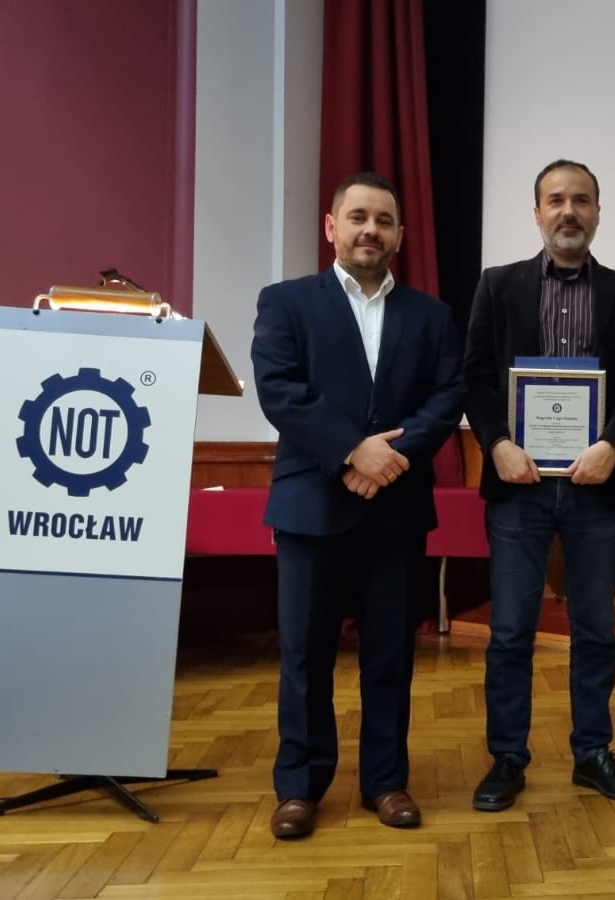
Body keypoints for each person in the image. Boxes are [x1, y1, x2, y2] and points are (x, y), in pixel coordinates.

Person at [251, 171, 464, 837]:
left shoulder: (432, 316)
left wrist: (386, 461)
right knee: (305, 656)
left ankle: (386, 782)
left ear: (400, 235)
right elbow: (279, 389)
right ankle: (299, 787)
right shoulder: (285, 302)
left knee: (391, 655)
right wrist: (351, 452)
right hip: (310, 506)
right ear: (332, 227)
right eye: (359, 217)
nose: (371, 229)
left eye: (384, 220)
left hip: (395, 510)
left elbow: (447, 397)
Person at [462, 159, 615, 811]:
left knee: (596, 627)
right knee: (510, 631)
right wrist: (497, 443)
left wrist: (613, 445)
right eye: (555, 200)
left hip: (597, 485)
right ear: (537, 212)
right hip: (517, 484)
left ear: (598, 212)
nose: (568, 211)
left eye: (581, 200)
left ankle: (592, 753)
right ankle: (507, 757)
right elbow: (475, 379)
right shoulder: (498, 287)